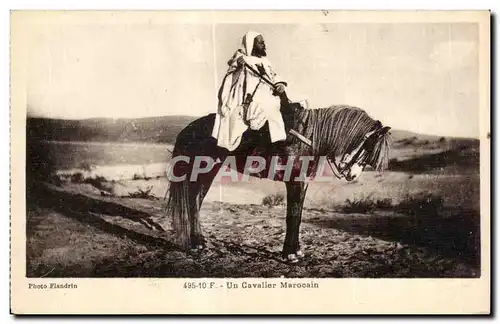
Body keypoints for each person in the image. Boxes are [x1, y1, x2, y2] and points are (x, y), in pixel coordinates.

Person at [211, 31, 289, 151]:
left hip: (268, 92)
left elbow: (274, 76)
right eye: (260, 42)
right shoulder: (241, 59)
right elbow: (230, 80)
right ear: (251, 44)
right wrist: (239, 68)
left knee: (299, 100)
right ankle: (274, 143)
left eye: (263, 42)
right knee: (270, 106)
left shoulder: (266, 61)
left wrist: (280, 85)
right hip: (250, 96)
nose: (264, 44)